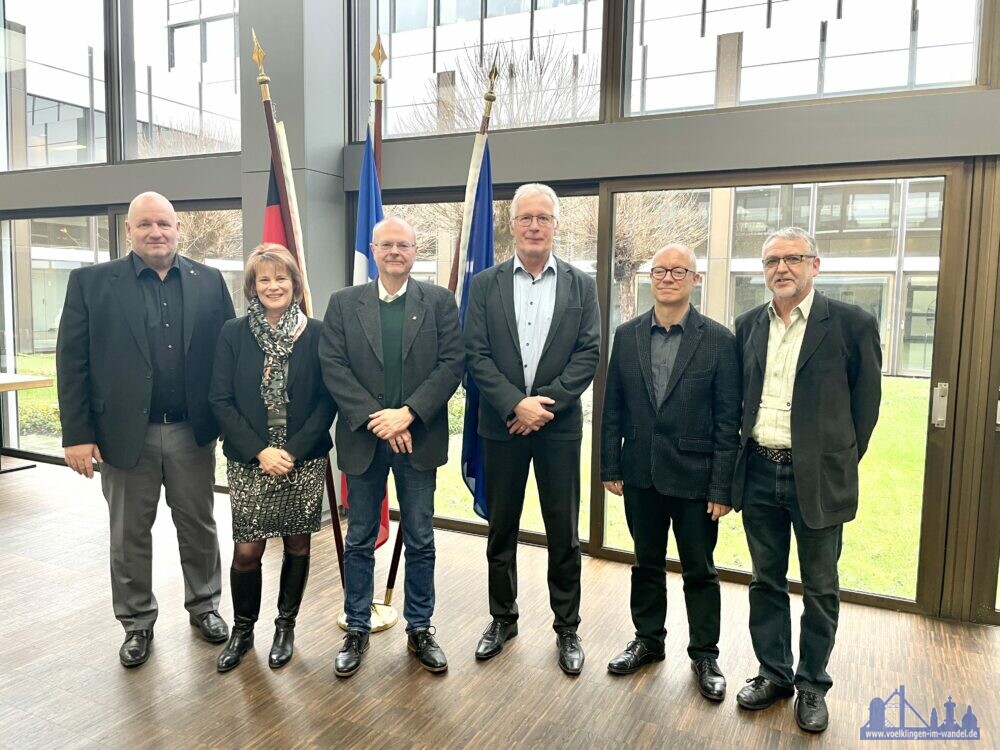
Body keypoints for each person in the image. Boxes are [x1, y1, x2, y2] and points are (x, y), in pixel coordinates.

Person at [56, 191, 235, 667]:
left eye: (164, 223)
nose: (155, 232)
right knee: (128, 533)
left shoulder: (210, 281)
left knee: (198, 525)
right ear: (129, 231)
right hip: (121, 437)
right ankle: (136, 623)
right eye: (145, 225)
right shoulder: (90, 283)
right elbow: (72, 363)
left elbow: (228, 357)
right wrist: (77, 434)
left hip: (191, 433)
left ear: (178, 229)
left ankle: (205, 607)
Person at [732, 227, 881, 733]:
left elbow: (866, 407)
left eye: (793, 258)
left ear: (815, 265)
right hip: (758, 471)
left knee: (820, 587)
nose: (782, 268)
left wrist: (837, 459)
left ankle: (812, 683)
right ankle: (773, 674)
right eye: (772, 260)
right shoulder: (747, 324)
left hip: (817, 478)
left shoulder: (851, 324)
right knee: (764, 580)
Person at [464, 183, 600, 675]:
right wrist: (514, 405)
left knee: (563, 531)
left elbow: (589, 352)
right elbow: (475, 354)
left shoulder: (582, 285)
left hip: (558, 430)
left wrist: (544, 405)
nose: (535, 226)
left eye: (544, 217)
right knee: (501, 530)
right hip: (502, 429)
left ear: (556, 225)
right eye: (527, 218)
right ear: (514, 225)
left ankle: (567, 628)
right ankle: (503, 618)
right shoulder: (485, 284)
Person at [319, 216, 464, 678]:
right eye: (387, 245)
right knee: (359, 538)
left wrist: (409, 413)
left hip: (417, 438)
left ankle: (420, 628)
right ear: (373, 250)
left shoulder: (439, 302)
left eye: (404, 245)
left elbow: (451, 364)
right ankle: (357, 627)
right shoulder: (344, 304)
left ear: (415, 252)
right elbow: (334, 367)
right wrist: (379, 420)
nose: (395, 252)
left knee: (421, 538)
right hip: (364, 440)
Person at [600, 244, 740, 700]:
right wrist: (609, 464)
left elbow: (727, 422)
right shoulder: (627, 334)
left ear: (694, 279)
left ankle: (704, 654)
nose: (667, 277)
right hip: (641, 473)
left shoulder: (719, 340)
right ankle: (648, 640)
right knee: (646, 564)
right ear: (650, 278)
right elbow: (613, 406)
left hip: (697, 481)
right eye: (659, 270)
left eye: (678, 270)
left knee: (699, 570)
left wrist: (722, 487)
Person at [208, 244, 336, 672]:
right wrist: (261, 451)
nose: (273, 285)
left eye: (281, 278)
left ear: (295, 285)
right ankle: (243, 630)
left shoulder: (317, 333)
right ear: (252, 287)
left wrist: (292, 451)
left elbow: (326, 402)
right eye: (264, 279)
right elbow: (220, 400)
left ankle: (286, 627)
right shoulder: (233, 333)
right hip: (250, 461)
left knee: (298, 544)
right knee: (248, 550)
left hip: (303, 459)